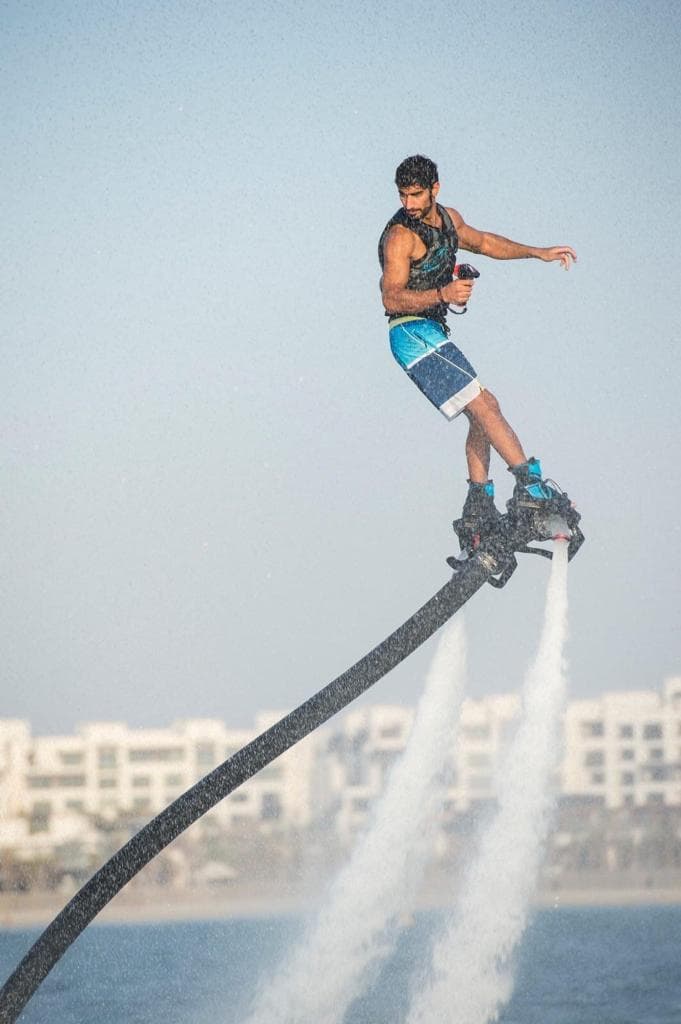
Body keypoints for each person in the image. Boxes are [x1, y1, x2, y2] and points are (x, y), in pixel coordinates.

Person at [378, 153, 576, 547]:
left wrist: (537, 252)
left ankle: (478, 512)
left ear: (435, 188)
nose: (409, 205)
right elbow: (390, 298)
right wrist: (442, 292)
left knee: (483, 411)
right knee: (485, 406)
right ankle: (530, 489)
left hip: (432, 332)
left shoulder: (449, 220)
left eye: (416, 195)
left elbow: (484, 243)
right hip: (411, 335)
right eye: (403, 196)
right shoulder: (401, 236)